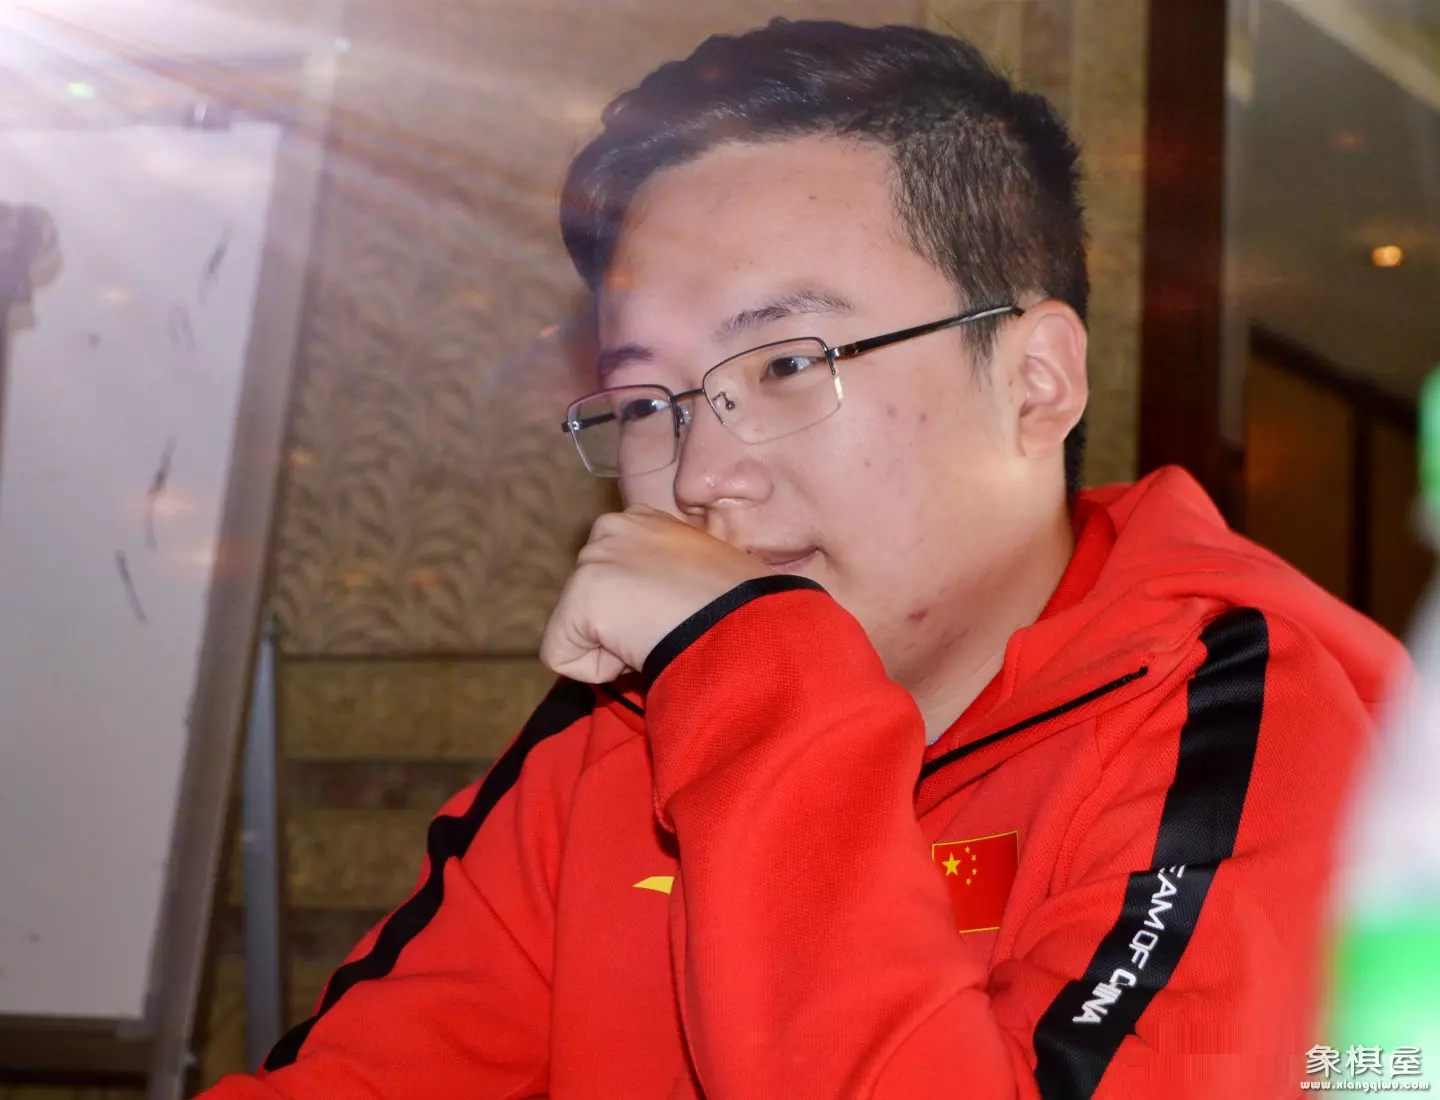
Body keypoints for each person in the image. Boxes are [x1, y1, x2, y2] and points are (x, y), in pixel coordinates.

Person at [205, 19, 1409, 1099]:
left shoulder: (1250, 722)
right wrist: (738, 679)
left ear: (1037, 382)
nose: (699, 477)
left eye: (787, 364)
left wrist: (755, 684)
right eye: (647, 402)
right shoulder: (628, 722)